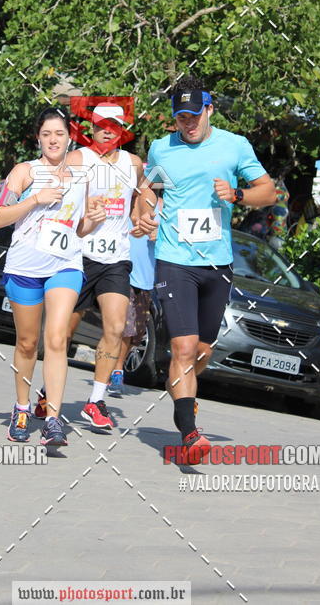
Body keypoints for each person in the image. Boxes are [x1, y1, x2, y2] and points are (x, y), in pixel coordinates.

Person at [137, 77, 276, 458]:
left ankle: (185, 397)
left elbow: (269, 191)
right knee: (181, 347)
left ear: (209, 110)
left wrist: (238, 195)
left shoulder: (234, 146)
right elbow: (148, 189)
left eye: (194, 115)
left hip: (217, 263)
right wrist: (145, 214)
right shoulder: (163, 149)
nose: (188, 123)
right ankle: (189, 434)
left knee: (200, 351)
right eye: (181, 117)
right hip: (174, 259)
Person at [0, 106, 106, 448]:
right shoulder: (24, 172)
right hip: (24, 266)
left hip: (65, 265)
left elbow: (80, 227)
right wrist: (35, 199)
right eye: (46, 134)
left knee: (56, 339)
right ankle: (22, 408)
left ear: (69, 137)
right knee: (28, 343)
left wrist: (94, 221)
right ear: (37, 138)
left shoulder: (82, 177)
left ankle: (54, 418)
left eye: (59, 133)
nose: (53, 140)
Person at [74, 103, 152, 430]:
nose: (108, 130)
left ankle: (95, 400)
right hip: (79, 256)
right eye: (102, 125)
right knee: (61, 332)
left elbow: (143, 191)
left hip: (116, 258)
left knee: (116, 328)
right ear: (92, 127)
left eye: (115, 125)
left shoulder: (132, 163)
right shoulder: (79, 159)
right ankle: (48, 392)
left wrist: (142, 216)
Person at [108, 206, 158, 397]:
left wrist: (159, 234)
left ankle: (111, 365)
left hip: (147, 280)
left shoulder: (168, 206)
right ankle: (117, 373)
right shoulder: (128, 203)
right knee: (124, 327)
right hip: (123, 273)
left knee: (136, 335)